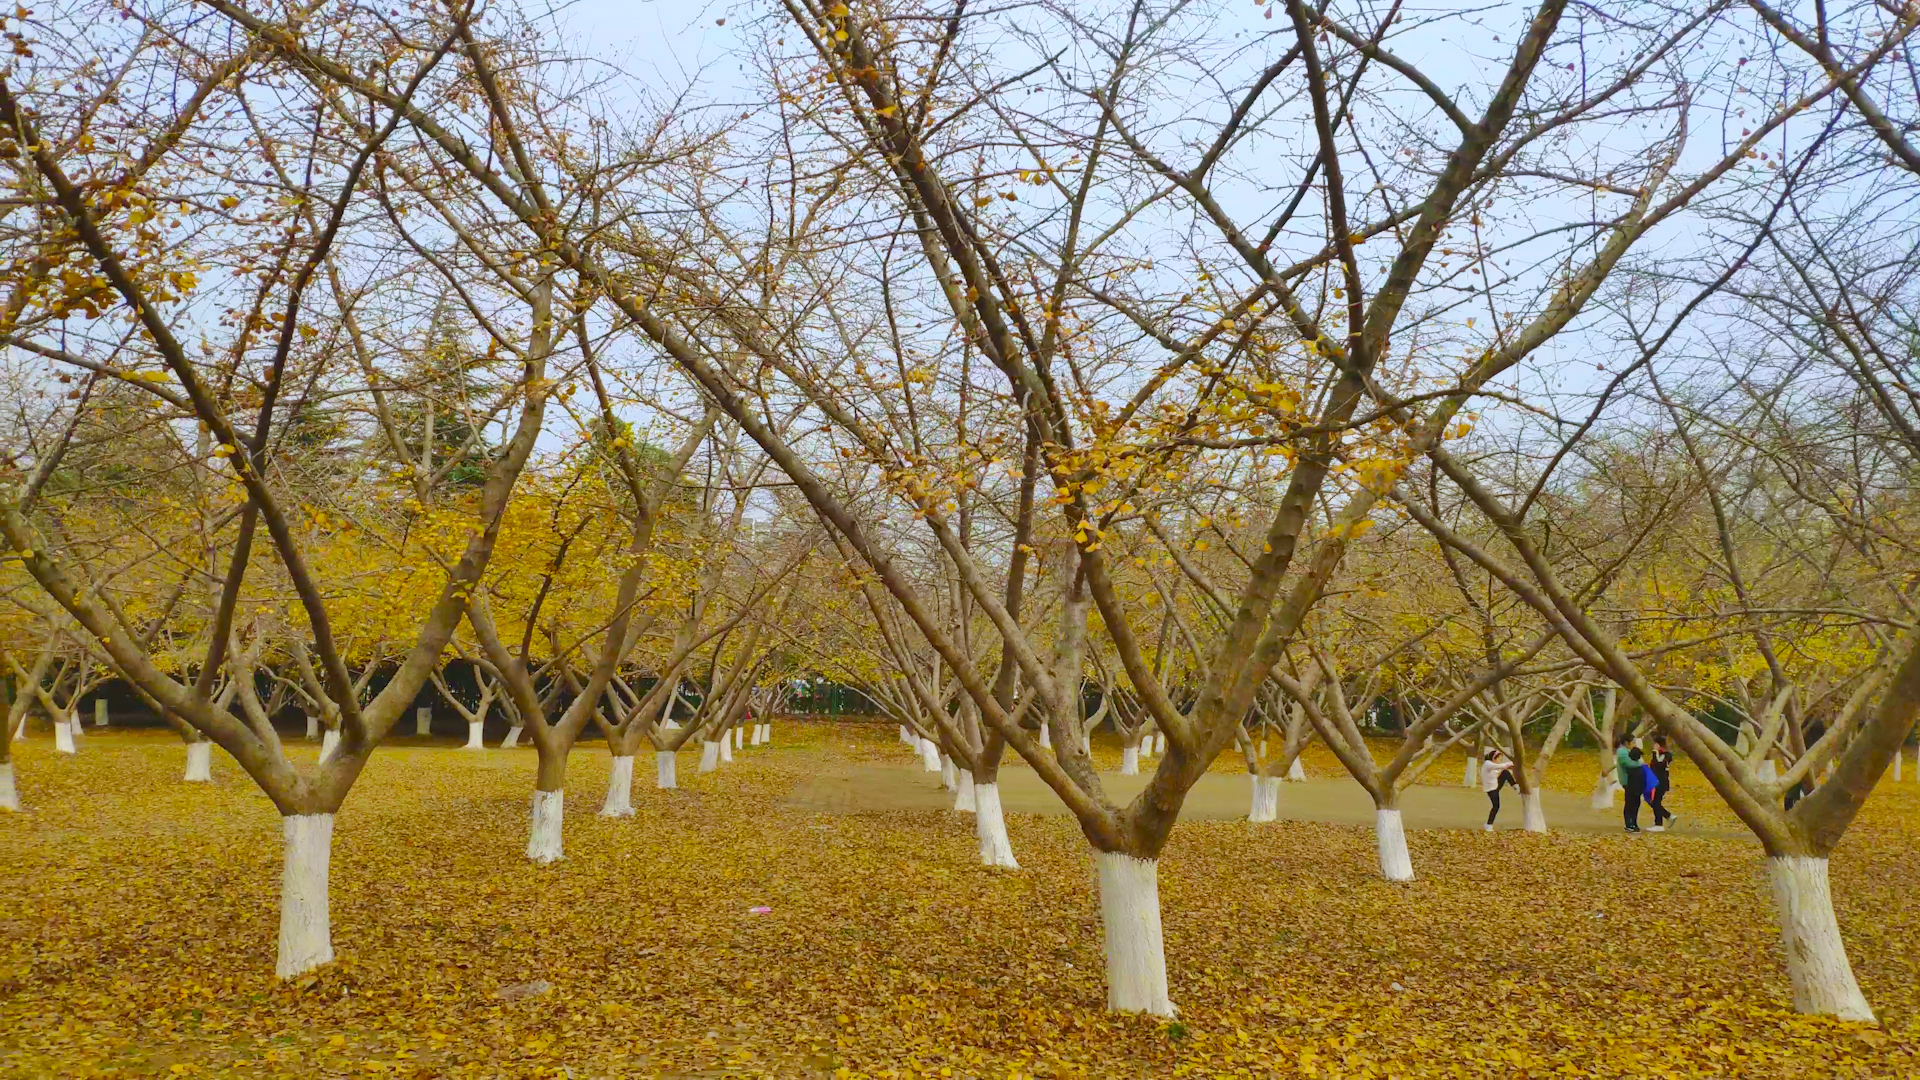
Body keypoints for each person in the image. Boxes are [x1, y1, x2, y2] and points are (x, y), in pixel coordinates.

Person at [1647, 735, 1676, 831]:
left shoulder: (1666, 755)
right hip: (1656, 781)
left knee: (1655, 802)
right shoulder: (1661, 754)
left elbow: (1658, 764)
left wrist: (1655, 753)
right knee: (1655, 802)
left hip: (1660, 782)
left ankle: (1660, 822)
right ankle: (1663, 819)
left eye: (1655, 744)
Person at [1481, 748, 1514, 831]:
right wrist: (1512, 763)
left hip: (1495, 786)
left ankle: (1515, 786)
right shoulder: (1488, 764)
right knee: (1496, 806)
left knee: (1505, 773)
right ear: (1494, 758)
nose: (1500, 760)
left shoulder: (1493, 766)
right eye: (1499, 758)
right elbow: (1500, 766)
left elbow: (1501, 771)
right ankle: (1488, 825)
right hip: (1491, 789)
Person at [1618, 737, 1645, 832]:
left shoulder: (1632, 751)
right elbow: (1628, 763)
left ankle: (1634, 822)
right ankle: (1628, 823)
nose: (1634, 743)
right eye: (1633, 742)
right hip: (1628, 781)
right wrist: (1640, 763)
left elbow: (1641, 761)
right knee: (1630, 802)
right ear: (1626, 742)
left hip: (1636, 782)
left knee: (1636, 802)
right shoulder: (1622, 752)